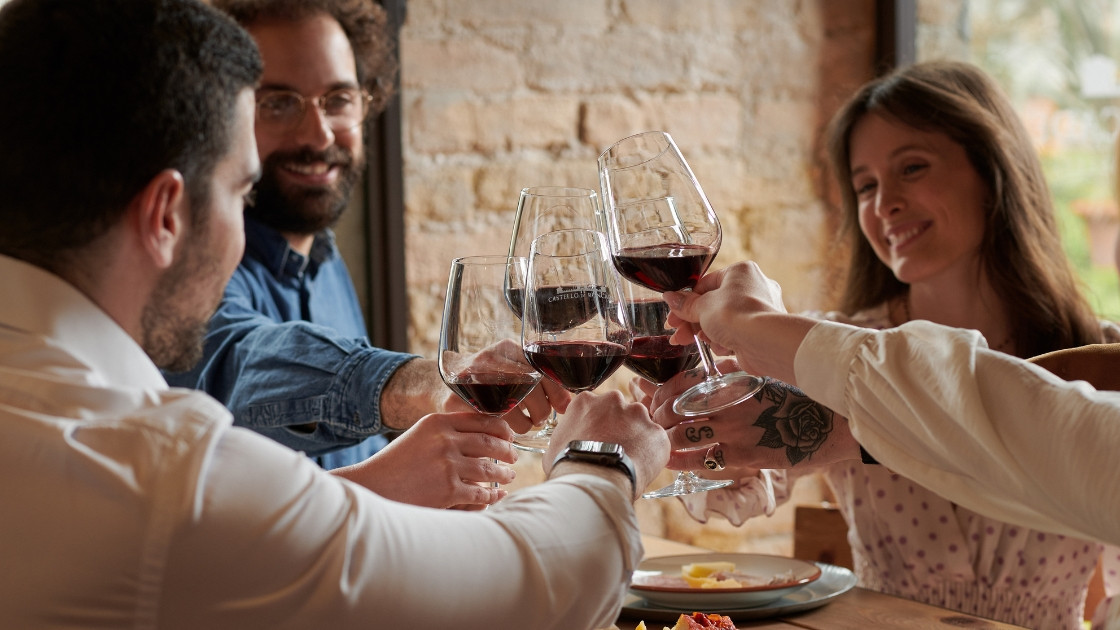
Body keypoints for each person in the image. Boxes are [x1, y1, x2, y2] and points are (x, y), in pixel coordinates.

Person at [0, 1, 669, 628]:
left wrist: (371, 488)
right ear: (166, 214)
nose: (315, 132)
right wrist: (603, 461)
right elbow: (534, 586)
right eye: (240, 189)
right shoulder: (163, 479)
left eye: (338, 100)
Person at [648, 61, 1119, 629]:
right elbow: (752, 474)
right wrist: (718, 460)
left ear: (995, 171)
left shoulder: (1097, 361)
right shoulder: (829, 347)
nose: (883, 203)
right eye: (865, 185)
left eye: (912, 168)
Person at [165, 0, 563, 478]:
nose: (317, 134)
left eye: (338, 100)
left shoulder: (324, 260)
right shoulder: (185, 261)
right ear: (219, 112)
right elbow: (234, 361)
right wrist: (422, 384)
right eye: (278, 103)